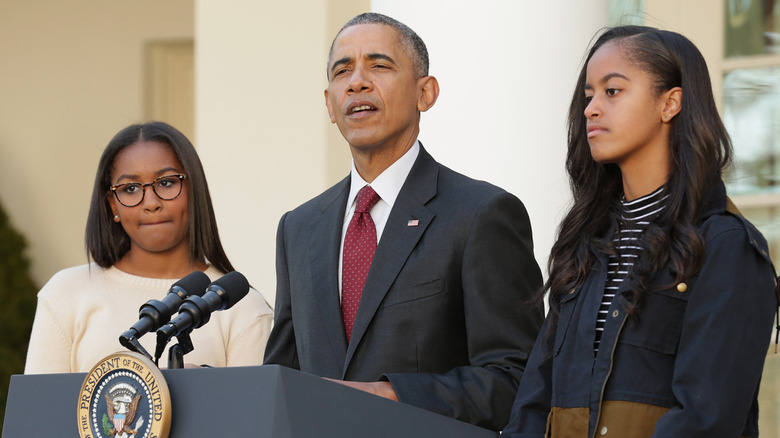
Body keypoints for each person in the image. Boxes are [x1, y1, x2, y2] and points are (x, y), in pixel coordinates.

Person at [263, 12, 544, 431]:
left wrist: (390, 394)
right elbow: (283, 377)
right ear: (329, 104)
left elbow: (516, 378)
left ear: (425, 93)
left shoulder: (481, 214)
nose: (357, 82)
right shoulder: (298, 228)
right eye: (343, 71)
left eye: (379, 65)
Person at [502, 26, 778, 438]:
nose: (591, 109)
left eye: (612, 91)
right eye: (588, 96)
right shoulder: (583, 247)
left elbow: (707, 420)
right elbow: (533, 406)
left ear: (670, 103)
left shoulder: (725, 245)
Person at [25, 121, 273, 373]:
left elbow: (252, 411)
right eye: (130, 188)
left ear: (193, 190)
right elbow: (38, 408)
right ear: (113, 205)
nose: (151, 203)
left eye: (166, 183)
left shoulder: (242, 306)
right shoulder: (66, 293)